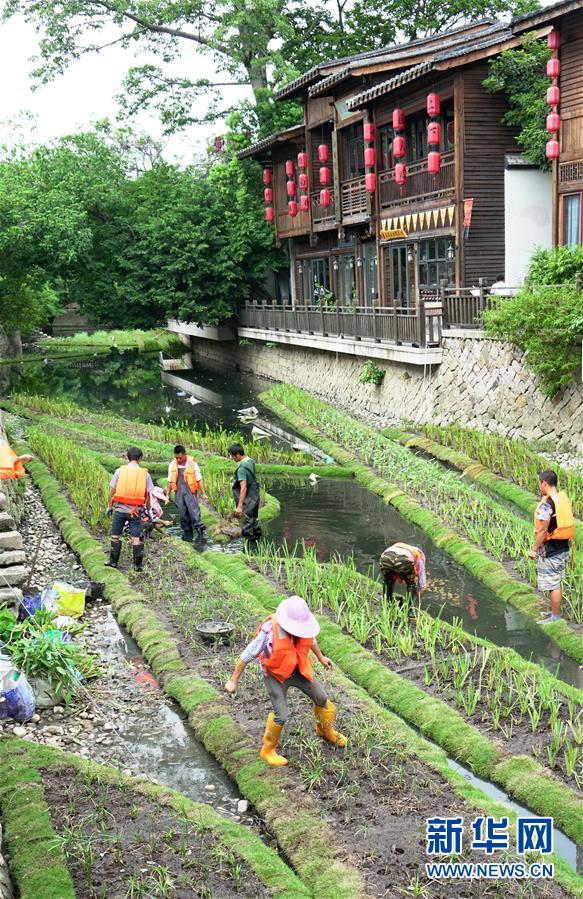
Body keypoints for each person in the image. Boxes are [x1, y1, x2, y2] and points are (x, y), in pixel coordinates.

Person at [225, 595, 346, 766]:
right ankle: (267, 750)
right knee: (281, 715)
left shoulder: (305, 628)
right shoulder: (269, 631)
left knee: (322, 698)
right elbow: (246, 656)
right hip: (275, 675)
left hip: (297, 669)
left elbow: (311, 640)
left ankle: (325, 731)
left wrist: (321, 657)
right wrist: (233, 681)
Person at [528, 470, 574, 624]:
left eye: (539, 483)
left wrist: (534, 549)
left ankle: (555, 617)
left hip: (551, 551)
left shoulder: (547, 504)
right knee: (554, 581)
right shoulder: (561, 498)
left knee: (553, 584)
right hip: (563, 548)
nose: (539, 486)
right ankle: (553, 612)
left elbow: (542, 530)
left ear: (544, 483)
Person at [106, 447, 153, 571]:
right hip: (135, 512)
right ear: (140, 459)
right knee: (135, 538)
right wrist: (148, 511)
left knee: (115, 536)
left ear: (127, 458)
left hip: (120, 510)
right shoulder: (145, 474)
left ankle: (113, 563)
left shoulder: (119, 471)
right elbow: (147, 495)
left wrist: (109, 506)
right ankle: (138, 566)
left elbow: (112, 490)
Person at [166, 445, 207, 542]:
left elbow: (199, 478)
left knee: (194, 511)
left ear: (184, 455)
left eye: (180, 457)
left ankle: (200, 533)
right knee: (182, 512)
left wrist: (204, 493)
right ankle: (187, 534)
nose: (178, 460)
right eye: (176, 458)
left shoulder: (192, 464)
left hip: (190, 492)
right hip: (179, 492)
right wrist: (167, 495)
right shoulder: (172, 464)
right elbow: (169, 480)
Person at [228, 442, 261, 540]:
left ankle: (249, 549)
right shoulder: (250, 461)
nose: (231, 458)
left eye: (232, 456)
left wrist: (239, 506)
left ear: (238, 454)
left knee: (247, 525)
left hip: (248, 499)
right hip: (255, 496)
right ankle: (258, 543)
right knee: (254, 520)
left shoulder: (241, 469)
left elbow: (243, 488)